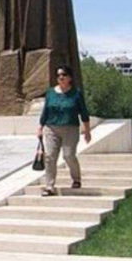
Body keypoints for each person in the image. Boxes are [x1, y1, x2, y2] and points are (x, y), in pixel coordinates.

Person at [37, 65, 91, 196]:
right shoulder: (50, 93)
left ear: (70, 78)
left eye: (64, 75)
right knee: (49, 157)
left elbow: (84, 112)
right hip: (51, 128)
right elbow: (46, 111)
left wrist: (87, 130)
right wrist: (40, 127)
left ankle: (76, 179)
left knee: (68, 155)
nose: (60, 77)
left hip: (70, 128)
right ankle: (49, 186)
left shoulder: (76, 94)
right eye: (58, 75)